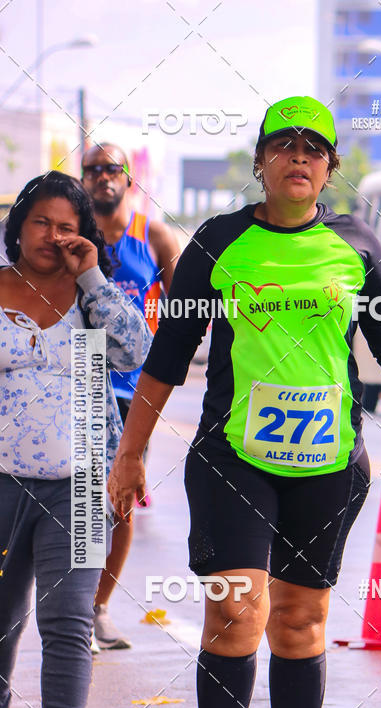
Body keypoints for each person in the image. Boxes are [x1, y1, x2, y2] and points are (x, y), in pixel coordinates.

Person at [107, 95, 381, 708]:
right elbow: (168, 357)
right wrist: (131, 452)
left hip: (329, 464)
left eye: (313, 149)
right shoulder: (219, 242)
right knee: (237, 613)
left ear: (329, 167)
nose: (298, 158)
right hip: (234, 458)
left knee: (300, 626)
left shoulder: (357, 245)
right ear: (262, 161)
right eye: (284, 146)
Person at [0, 171, 152, 708]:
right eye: (41, 221)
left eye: (68, 226)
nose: (53, 235)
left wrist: (91, 277)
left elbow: (134, 351)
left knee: (68, 624)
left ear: (84, 236)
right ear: (19, 225)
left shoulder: (98, 295)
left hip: (81, 484)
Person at [81, 143, 180, 651]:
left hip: (135, 387)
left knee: (119, 499)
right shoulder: (73, 234)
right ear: (83, 179)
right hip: (79, 382)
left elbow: (187, 302)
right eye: (93, 170)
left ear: (128, 177)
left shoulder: (153, 235)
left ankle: (97, 608)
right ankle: (75, 611)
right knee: (80, 499)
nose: (102, 177)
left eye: (111, 168)